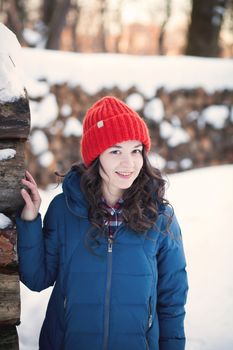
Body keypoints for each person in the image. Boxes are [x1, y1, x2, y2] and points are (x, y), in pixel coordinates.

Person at [16, 96, 188, 350]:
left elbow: (172, 301)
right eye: (116, 151)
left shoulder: (159, 218)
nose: (128, 163)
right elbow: (37, 278)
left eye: (136, 150)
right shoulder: (65, 210)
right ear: (96, 156)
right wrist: (30, 221)